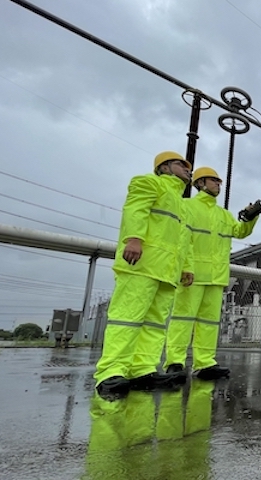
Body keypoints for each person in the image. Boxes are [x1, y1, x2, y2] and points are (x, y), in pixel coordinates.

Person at [93, 151, 195, 396]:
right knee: (126, 318)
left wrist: (186, 266)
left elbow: (184, 240)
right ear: (164, 167)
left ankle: (143, 369)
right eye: (181, 164)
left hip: (167, 271)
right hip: (142, 264)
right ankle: (111, 372)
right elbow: (136, 210)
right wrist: (134, 239)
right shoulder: (148, 182)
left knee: (155, 323)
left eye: (189, 167)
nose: (188, 169)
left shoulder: (181, 204)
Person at [163, 166, 260, 381]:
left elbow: (240, 232)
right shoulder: (187, 206)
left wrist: (250, 217)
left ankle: (205, 362)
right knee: (182, 319)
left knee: (209, 323)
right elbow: (183, 240)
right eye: (213, 180)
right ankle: (175, 362)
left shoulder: (223, 214)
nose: (218, 184)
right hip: (193, 275)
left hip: (216, 277)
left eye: (219, 181)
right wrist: (186, 267)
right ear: (200, 183)